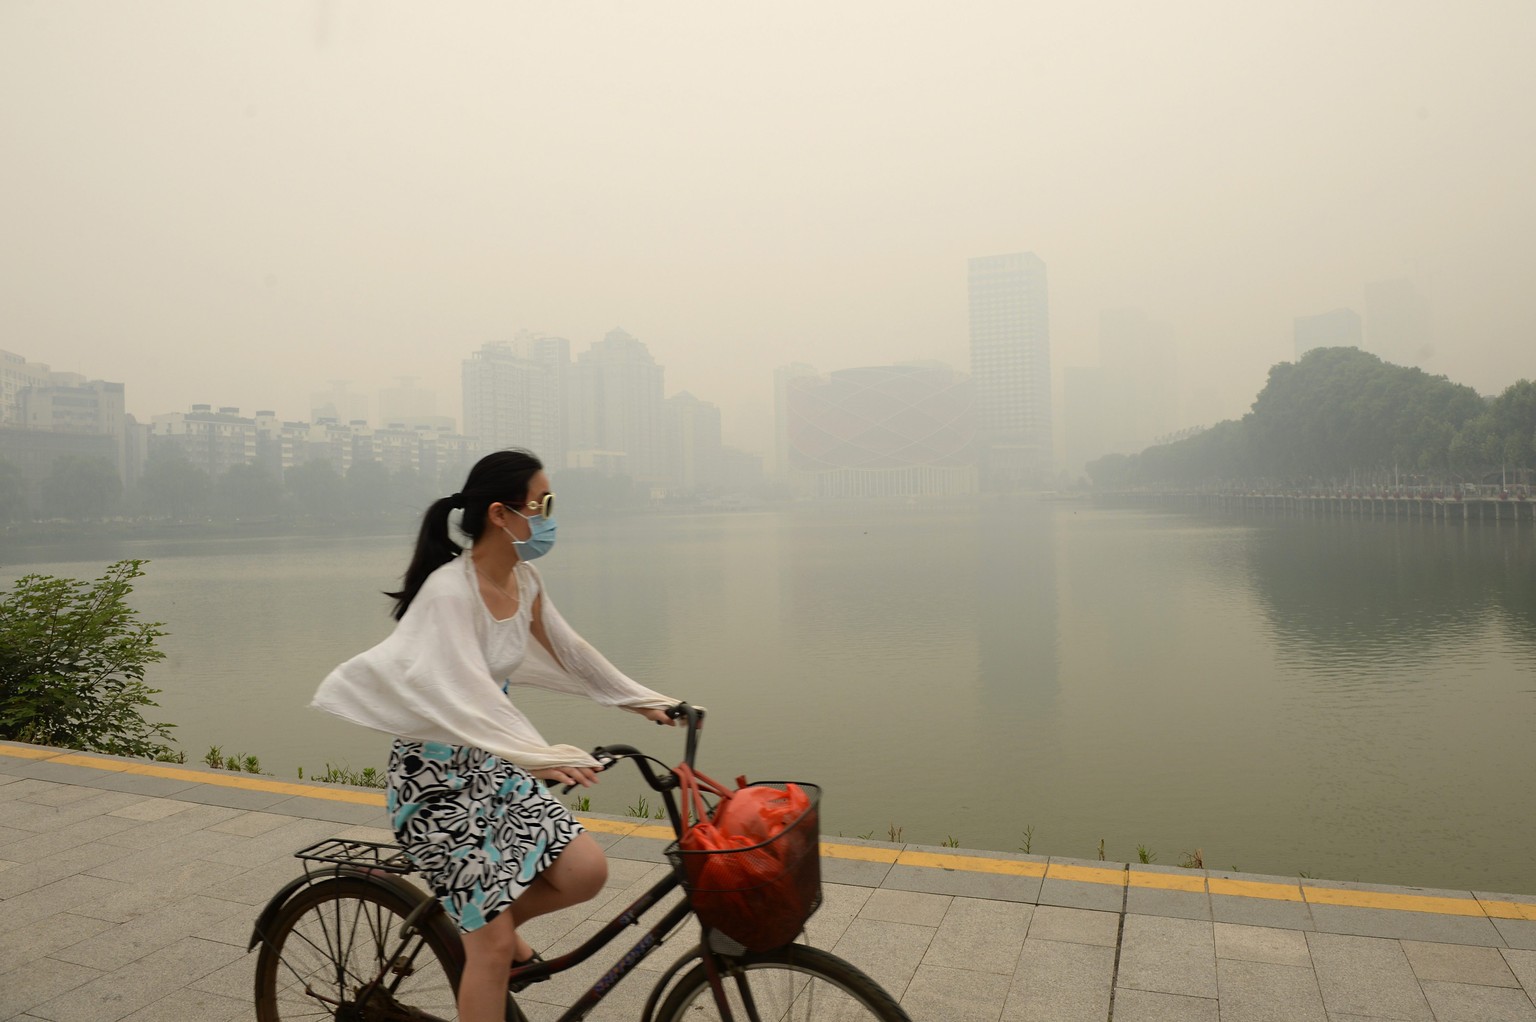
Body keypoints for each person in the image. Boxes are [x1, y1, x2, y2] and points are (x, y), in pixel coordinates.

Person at [312, 449, 678, 1022]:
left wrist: (649, 702)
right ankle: (488, 942)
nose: (551, 516)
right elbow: (466, 695)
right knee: (494, 946)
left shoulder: (525, 580)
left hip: (491, 766)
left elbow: (573, 652)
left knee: (585, 870)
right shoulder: (448, 591)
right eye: (544, 503)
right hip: (433, 786)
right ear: (502, 514)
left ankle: (480, 927)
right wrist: (537, 755)